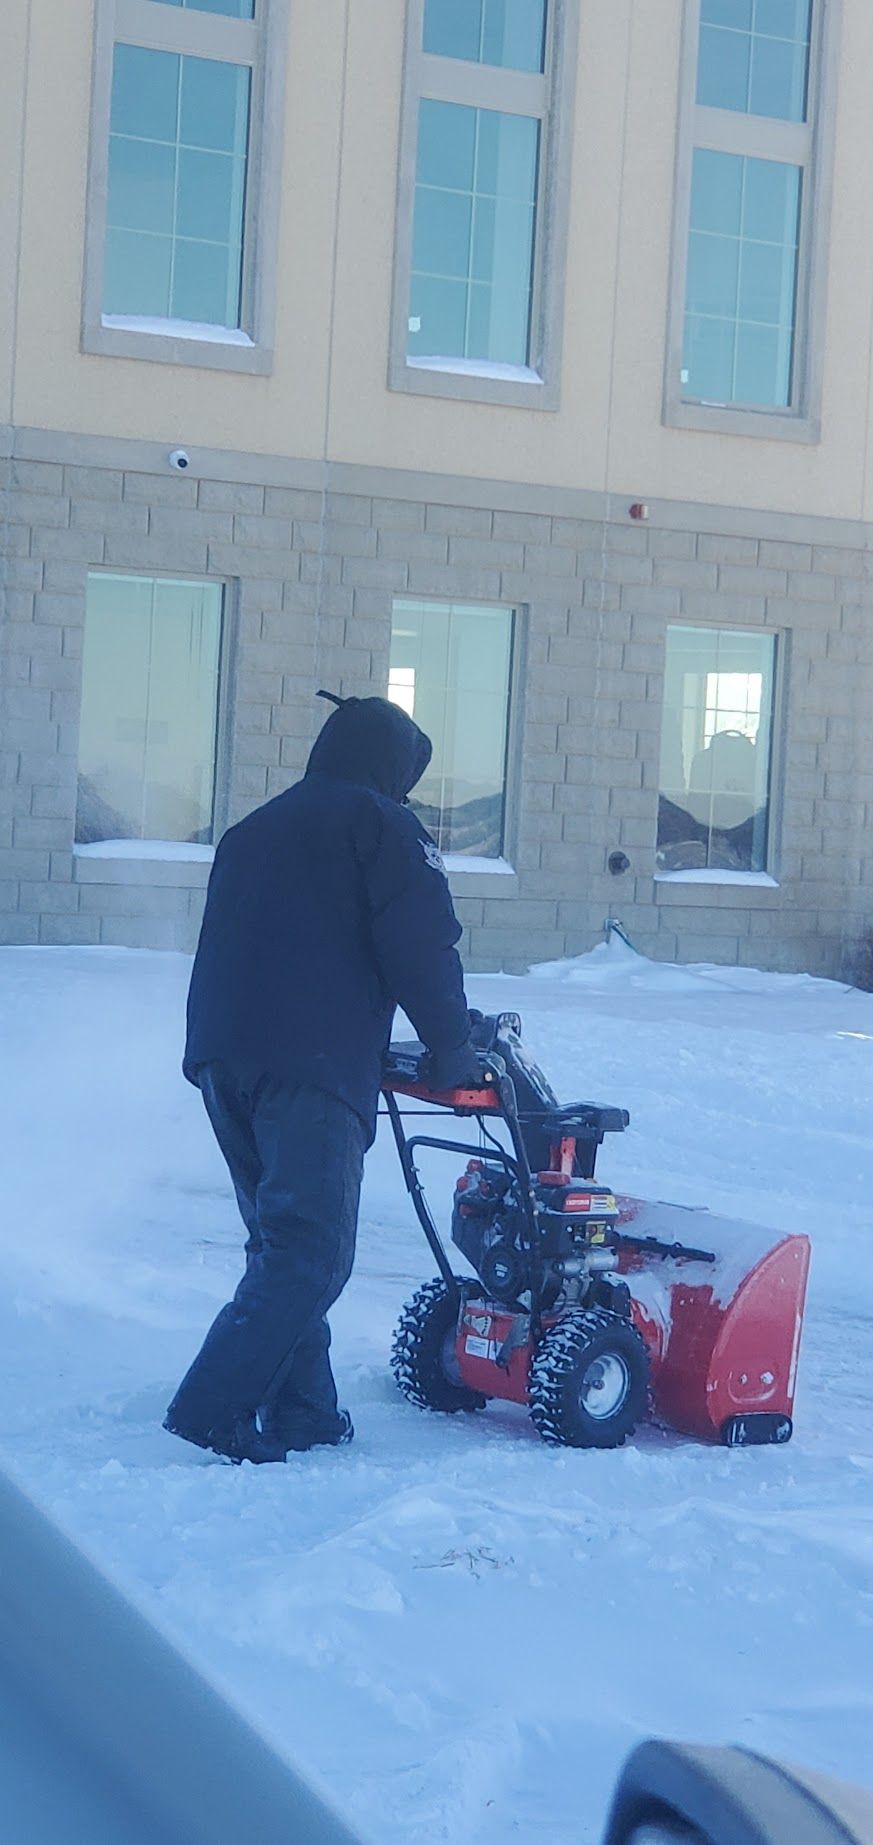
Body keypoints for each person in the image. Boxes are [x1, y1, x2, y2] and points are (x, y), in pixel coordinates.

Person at [164, 691, 481, 1464]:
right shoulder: (382, 825)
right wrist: (453, 1049)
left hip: (222, 1060)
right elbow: (421, 944)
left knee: (280, 1245)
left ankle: (305, 1407)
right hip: (308, 1067)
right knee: (311, 1253)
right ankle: (211, 1407)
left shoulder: (252, 829)